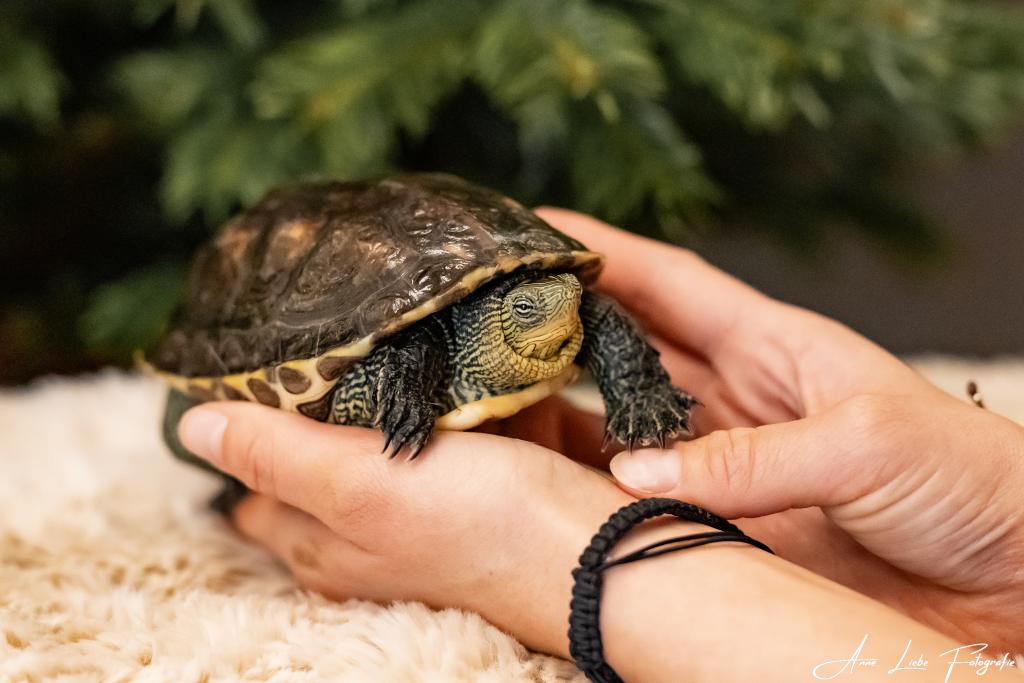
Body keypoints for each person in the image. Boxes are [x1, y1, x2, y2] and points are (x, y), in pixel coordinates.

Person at [177, 208, 1024, 682]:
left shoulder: (570, 315)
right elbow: (412, 336)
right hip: (352, 319)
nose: (564, 313)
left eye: (566, 301)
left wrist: (559, 555)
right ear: (497, 320)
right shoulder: (440, 334)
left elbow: (592, 315)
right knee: (228, 427)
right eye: (529, 308)